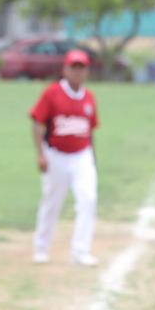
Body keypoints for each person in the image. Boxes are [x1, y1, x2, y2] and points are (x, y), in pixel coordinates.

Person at [29, 48, 101, 266]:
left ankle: (81, 251)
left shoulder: (89, 97)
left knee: (88, 200)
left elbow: (90, 131)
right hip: (56, 155)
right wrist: (41, 154)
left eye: (81, 68)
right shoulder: (52, 93)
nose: (77, 72)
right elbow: (37, 124)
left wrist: (93, 158)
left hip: (82, 156)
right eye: (73, 67)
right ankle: (41, 246)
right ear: (65, 69)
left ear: (87, 71)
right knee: (52, 202)